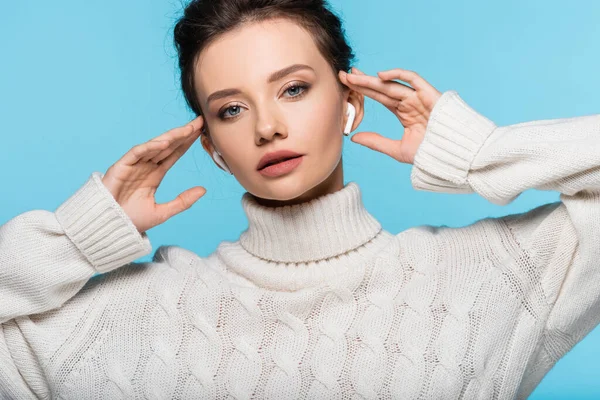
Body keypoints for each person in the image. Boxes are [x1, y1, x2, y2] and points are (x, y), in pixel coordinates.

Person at [1, 0, 599, 398]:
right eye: (230, 109)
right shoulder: (123, 318)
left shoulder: (496, 276)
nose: (266, 127)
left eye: (292, 88)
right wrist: (78, 239)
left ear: (351, 104)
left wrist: (477, 152)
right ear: (211, 146)